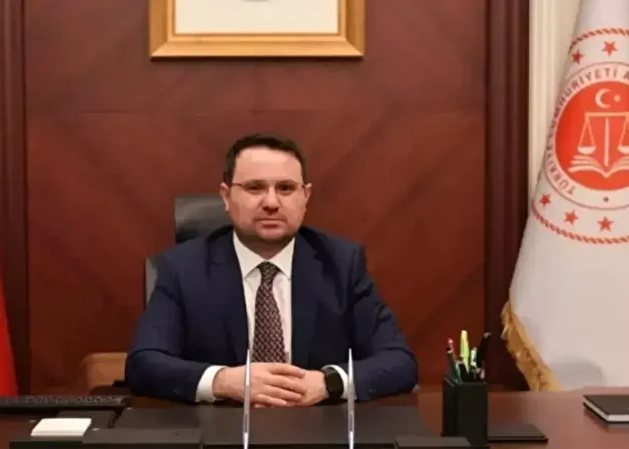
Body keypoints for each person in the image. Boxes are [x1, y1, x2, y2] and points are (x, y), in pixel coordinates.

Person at [125, 133, 417, 406]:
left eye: (286, 188)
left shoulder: (342, 264)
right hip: (220, 427)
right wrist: (223, 381)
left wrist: (328, 382)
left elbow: (399, 361)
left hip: (319, 427)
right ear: (226, 196)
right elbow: (143, 364)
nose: (271, 203)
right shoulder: (183, 267)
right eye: (255, 188)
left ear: (305, 197)